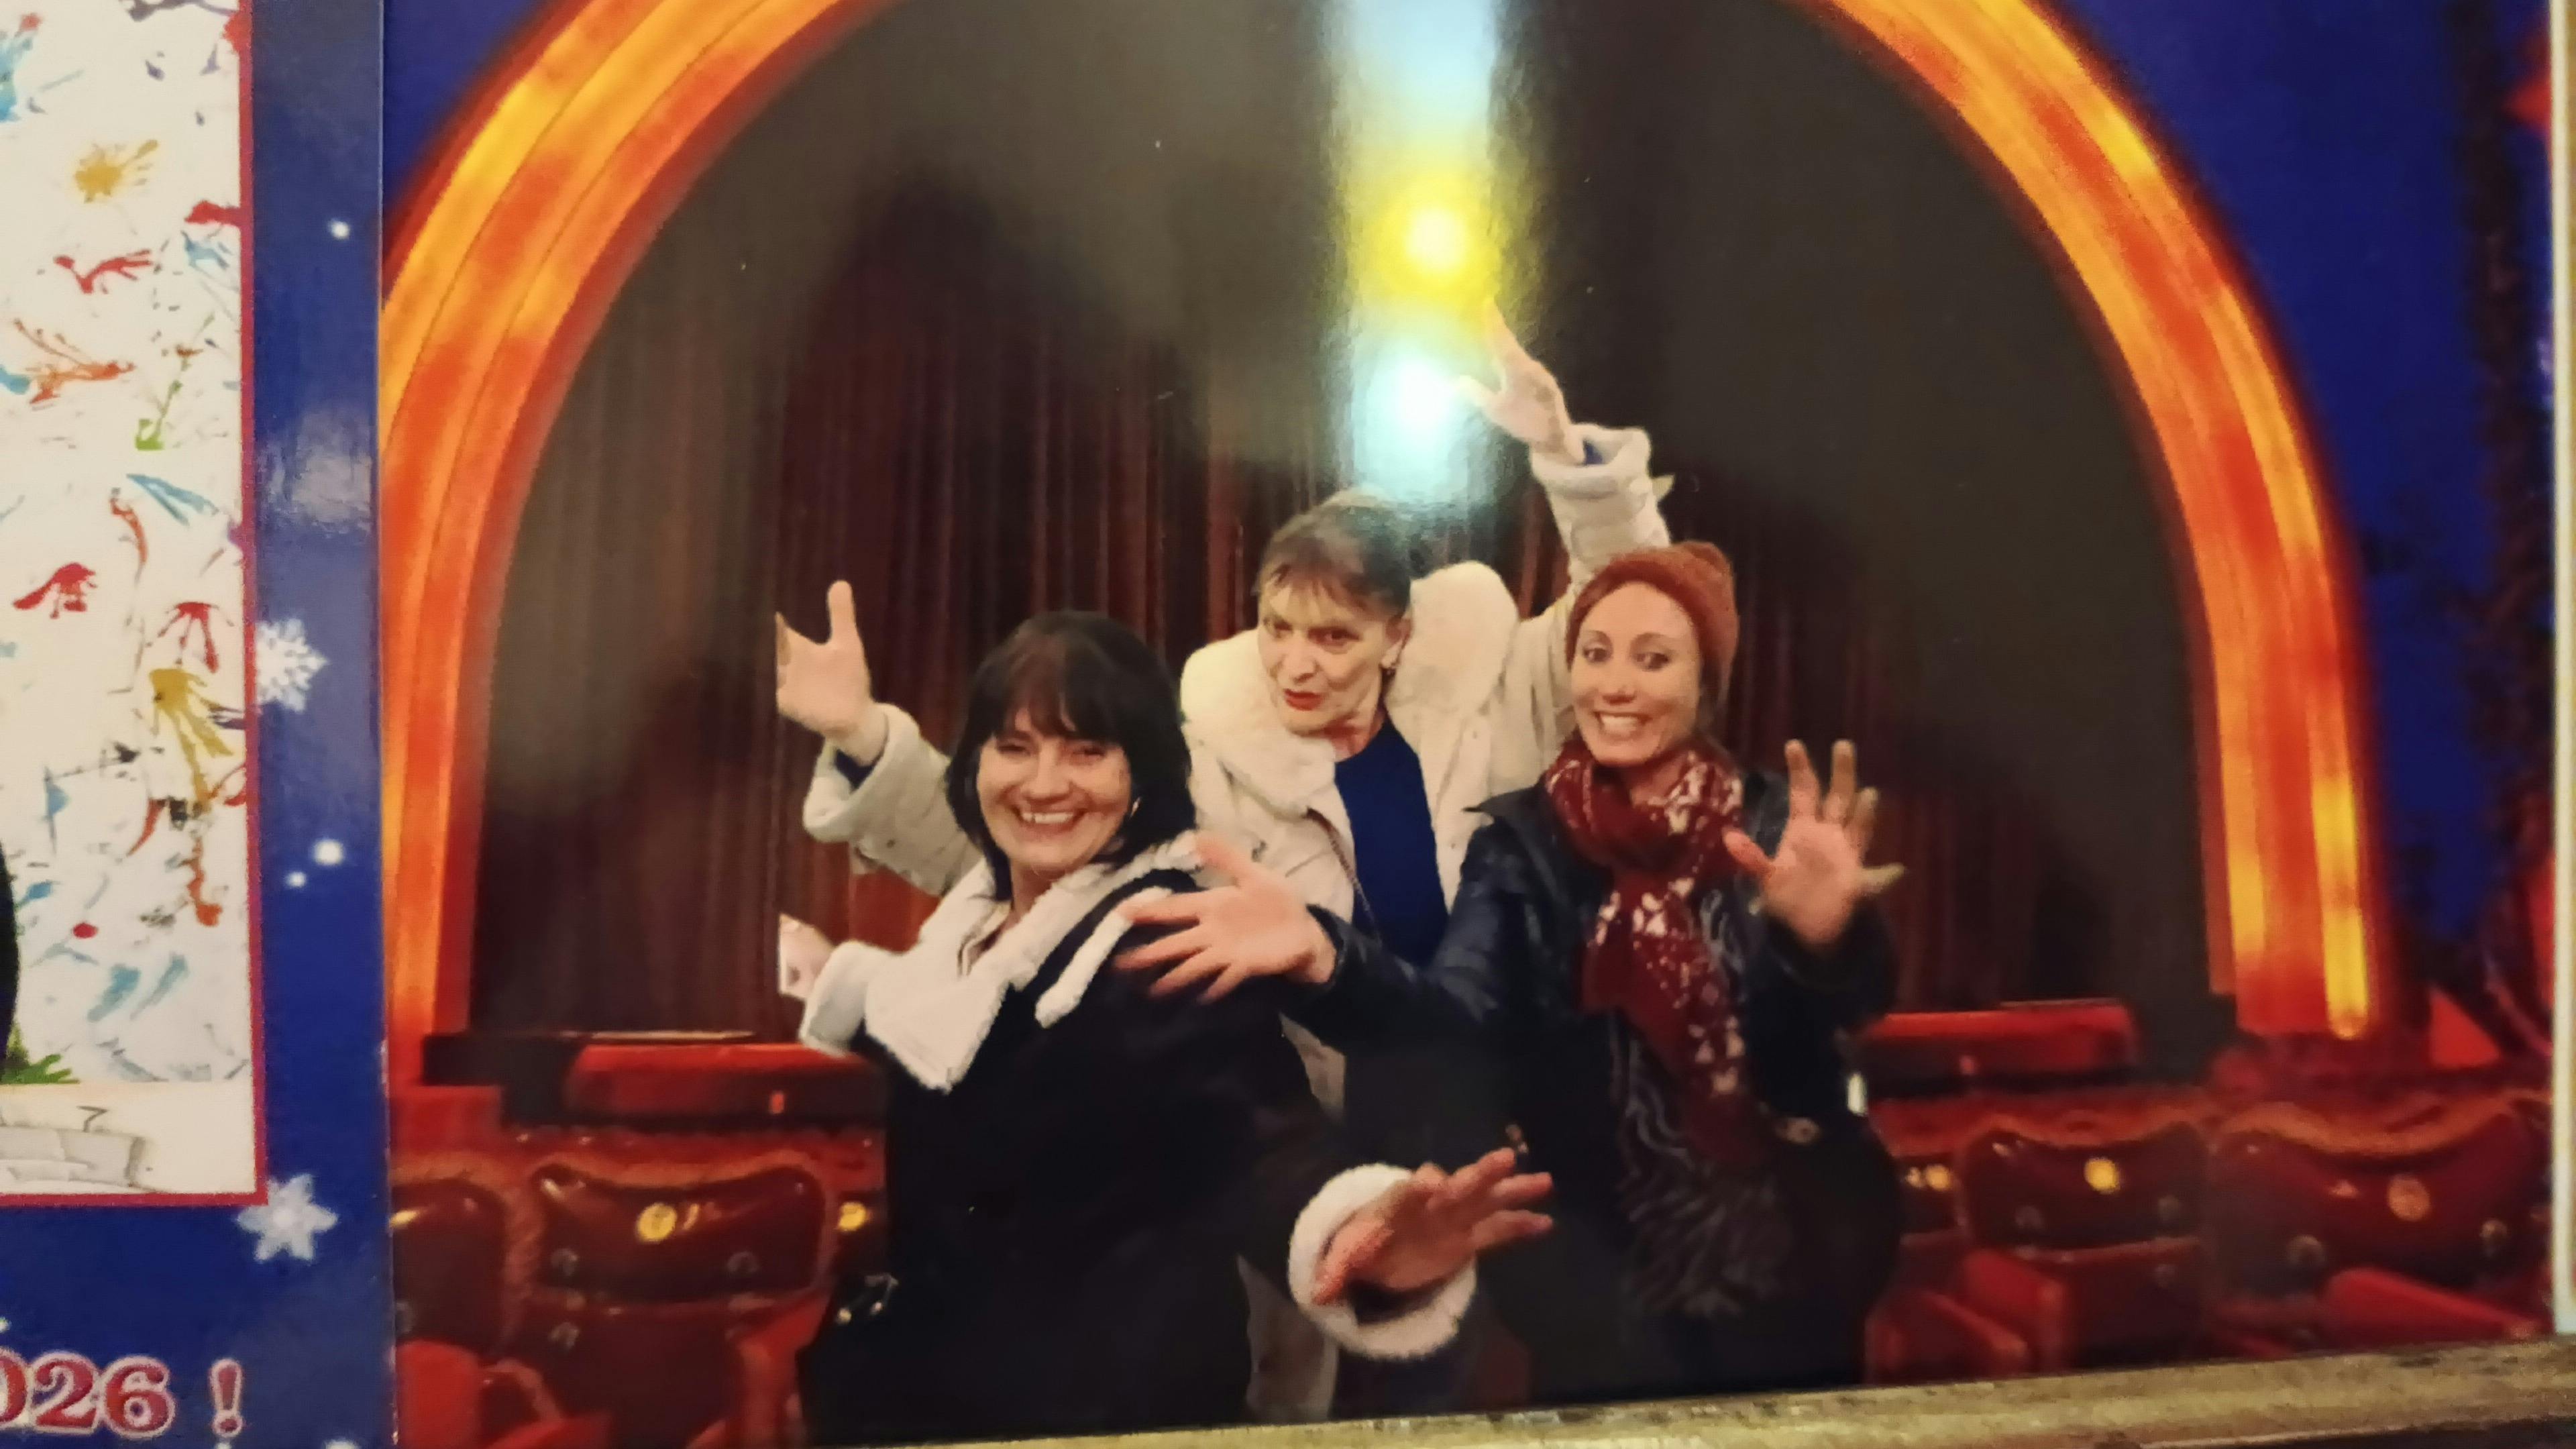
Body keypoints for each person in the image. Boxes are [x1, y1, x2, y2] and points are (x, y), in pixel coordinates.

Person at [775, 311, 1672, 1415]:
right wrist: (869, 740)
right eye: (1276, 628)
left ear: (1397, 636)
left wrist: (1569, 460)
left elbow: (1637, 610)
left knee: (1455, 1389)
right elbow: (1023, 837)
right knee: (1288, 1383)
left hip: (1462, 1111)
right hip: (1284, 1118)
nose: (1296, 663)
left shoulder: (1488, 713)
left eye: (1333, 637)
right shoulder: (1212, 757)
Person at [1118, 543, 1907, 1403]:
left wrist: (1823, 943)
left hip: (1793, 1259)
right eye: (1595, 653)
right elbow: (1452, 1017)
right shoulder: (1523, 846)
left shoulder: (1773, 825)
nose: (1615, 685)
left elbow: (1841, 1022)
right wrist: (1326, 954)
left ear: (1704, 680)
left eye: (1653, 659)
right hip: (1606, 1291)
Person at [778, 612, 1551, 1445]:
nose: (1044, 784)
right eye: (1014, 747)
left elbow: (1267, 1151)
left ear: (1140, 774)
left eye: (1086, 752)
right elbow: (966, 1048)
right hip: (929, 1407)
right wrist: (857, 739)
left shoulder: (1165, 944)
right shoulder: (974, 928)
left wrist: (1363, 1241)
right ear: (974, 764)